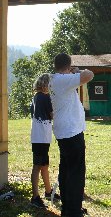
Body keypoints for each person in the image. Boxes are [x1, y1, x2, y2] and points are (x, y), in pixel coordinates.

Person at [49, 53, 94, 217]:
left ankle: (68, 207)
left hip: (65, 131)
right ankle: (73, 211)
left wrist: (72, 72)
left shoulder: (56, 79)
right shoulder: (62, 79)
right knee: (76, 173)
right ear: (68, 66)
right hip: (71, 132)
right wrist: (77, 71)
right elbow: (89, 75)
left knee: (67, 170)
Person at [30, 73, 60, 208]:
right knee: (37, 166)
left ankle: (48, 191)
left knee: (44, 165)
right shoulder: (45, 97)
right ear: (45, 84)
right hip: (41, 137)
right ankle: (35, 197)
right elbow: (53, 114)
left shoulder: (36, 97)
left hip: (39, 136)